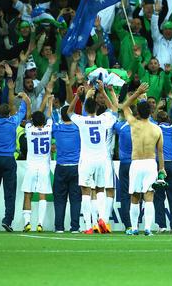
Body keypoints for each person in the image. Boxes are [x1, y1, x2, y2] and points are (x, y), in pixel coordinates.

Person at [67, 83, 117, 234]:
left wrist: (77, 96)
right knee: (101, 189)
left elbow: (69, 113)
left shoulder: (81, 120)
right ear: (96, 109)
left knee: (86, 192)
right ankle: (102, 218)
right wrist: (103, 91)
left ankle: (89, 226)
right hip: (102, 159)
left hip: (87, 160)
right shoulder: (103, 119)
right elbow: (114, 109)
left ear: (85, 109)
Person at [122, 83, 165, 236]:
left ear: (138, 113)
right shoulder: (157, 129)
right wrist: (162, 169)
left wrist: (137, 92)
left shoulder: (133, 124)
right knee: (149, 197)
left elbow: (124, 106)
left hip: (136, 163)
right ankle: (147, 228)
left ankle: (134, 228)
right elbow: (160, 152)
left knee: (134, 196)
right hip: (150, 164)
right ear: (150, 111)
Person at [0, 92, 30, 232]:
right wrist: (23, 98)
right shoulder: (13, 121)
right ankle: (7, 221)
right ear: (9, 113)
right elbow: (23, 110)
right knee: (9, 193)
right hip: (9, 160)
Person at [22, 96, 54, 232]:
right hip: (44, 167)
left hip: (31, 167)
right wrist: (50, 103)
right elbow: (50, 116)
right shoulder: (48, 129)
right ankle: (40, 223)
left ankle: (27, 223)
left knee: (27, 194)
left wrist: (28, 103)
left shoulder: (29, 129)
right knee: (42, 195)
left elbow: (28, 118)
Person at [52, 105, 82, 233]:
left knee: (59, 199)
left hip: (61, 167)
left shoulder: (57, 129)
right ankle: (75, 227)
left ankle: (59, 227)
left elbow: (50, 118)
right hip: (76, 167)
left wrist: (50, 102)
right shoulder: (79, 129)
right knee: (75, 199)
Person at [154, 109, 172, 233]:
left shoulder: (155, 127)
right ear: (168, 119)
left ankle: (162, 225)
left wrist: (143, 100)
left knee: (159, 196)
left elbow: (147, 118)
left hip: (159, 165)